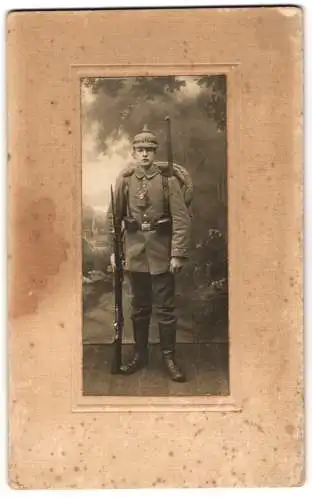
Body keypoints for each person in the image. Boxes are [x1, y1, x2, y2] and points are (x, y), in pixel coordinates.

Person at [107, 125, 191, 382]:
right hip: (134, 254)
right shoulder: (125, 180)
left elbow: (181, 219)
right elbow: (114, 218)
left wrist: (177, 254)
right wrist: (114, 252)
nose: (145, 155)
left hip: (161, 254)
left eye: (149, 150)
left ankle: (168, 357)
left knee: (165, 309)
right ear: (133, 153)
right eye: (140, 150)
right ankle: (140, 355)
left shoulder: (168, 181)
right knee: (139, 308)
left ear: (155, 154)